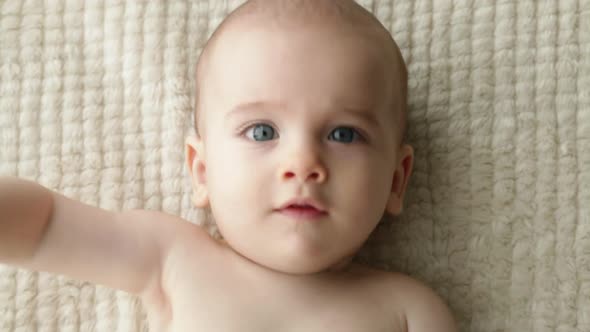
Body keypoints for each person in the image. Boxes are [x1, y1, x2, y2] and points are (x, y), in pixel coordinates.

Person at [0, 0, 457, 330]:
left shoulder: (409, 312)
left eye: (343, 134)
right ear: (202, 170)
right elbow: (46, 227)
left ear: (396, 180)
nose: (303, 164)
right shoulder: (173, 258)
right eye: (262, 132)